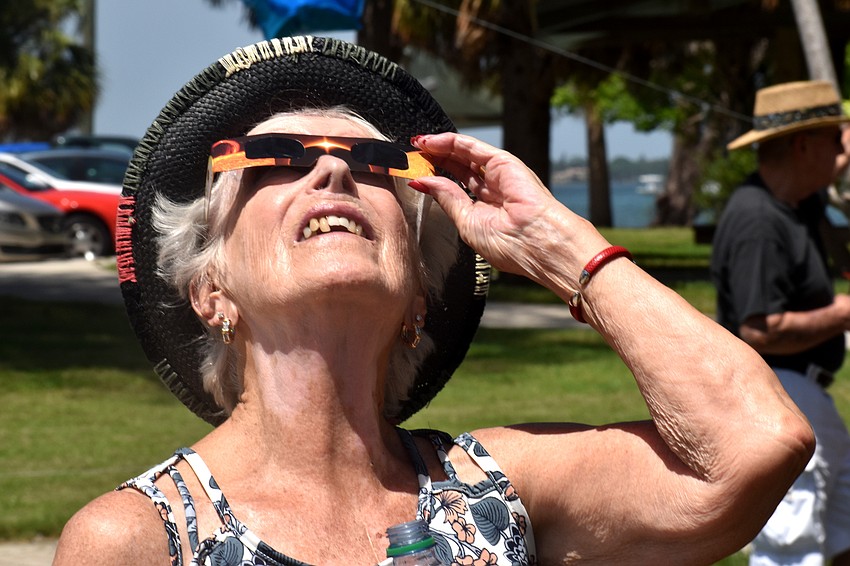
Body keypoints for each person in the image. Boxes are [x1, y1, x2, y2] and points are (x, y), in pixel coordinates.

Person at [53, 36, 813, 566]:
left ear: (419, 292)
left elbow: (757, 443)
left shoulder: (497, 489)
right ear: (209, 289)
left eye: (378, 163)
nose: (333, 176)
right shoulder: (137, 541)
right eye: (278, 159)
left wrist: (560, 245)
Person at [711, 80, 850, 566]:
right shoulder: (758, 220)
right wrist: (845, 312)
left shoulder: (798, 205)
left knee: (839, 536)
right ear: (802, 144)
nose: (843, 151)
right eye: (837, 139)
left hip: (805, 394)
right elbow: (760, 329)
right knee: (791, 548)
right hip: (779, 394)